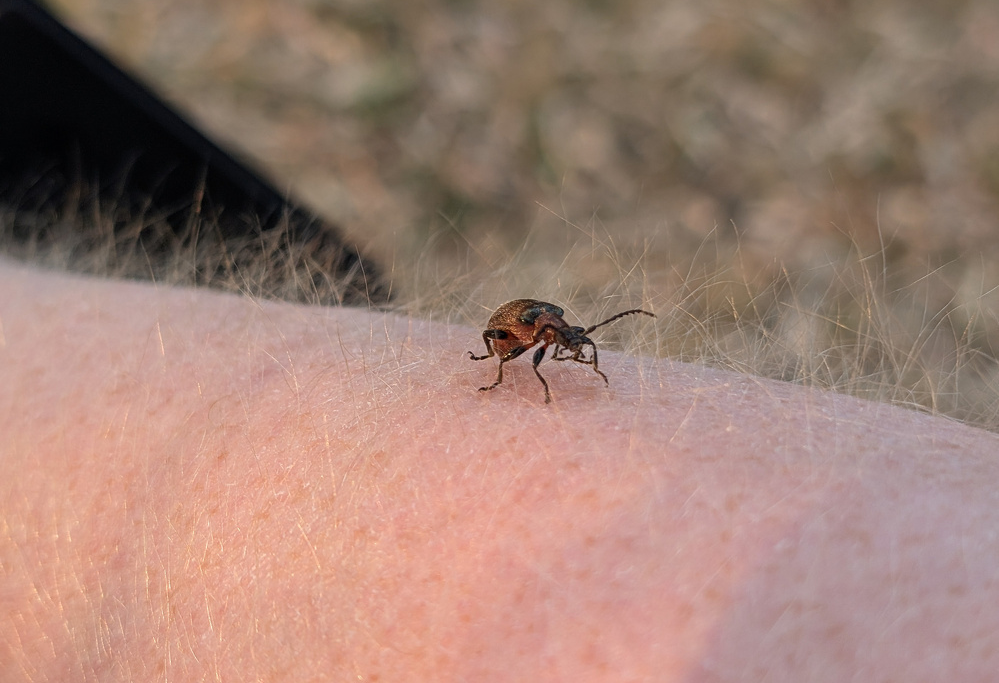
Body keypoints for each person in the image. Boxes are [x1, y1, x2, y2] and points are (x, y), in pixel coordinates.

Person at [1, 256, 997, 681]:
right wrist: (504, 366)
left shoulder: (559, 334)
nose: (557, 350)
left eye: (553, 347)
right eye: (555, 347)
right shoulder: (519, 340)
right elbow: (512, 334)